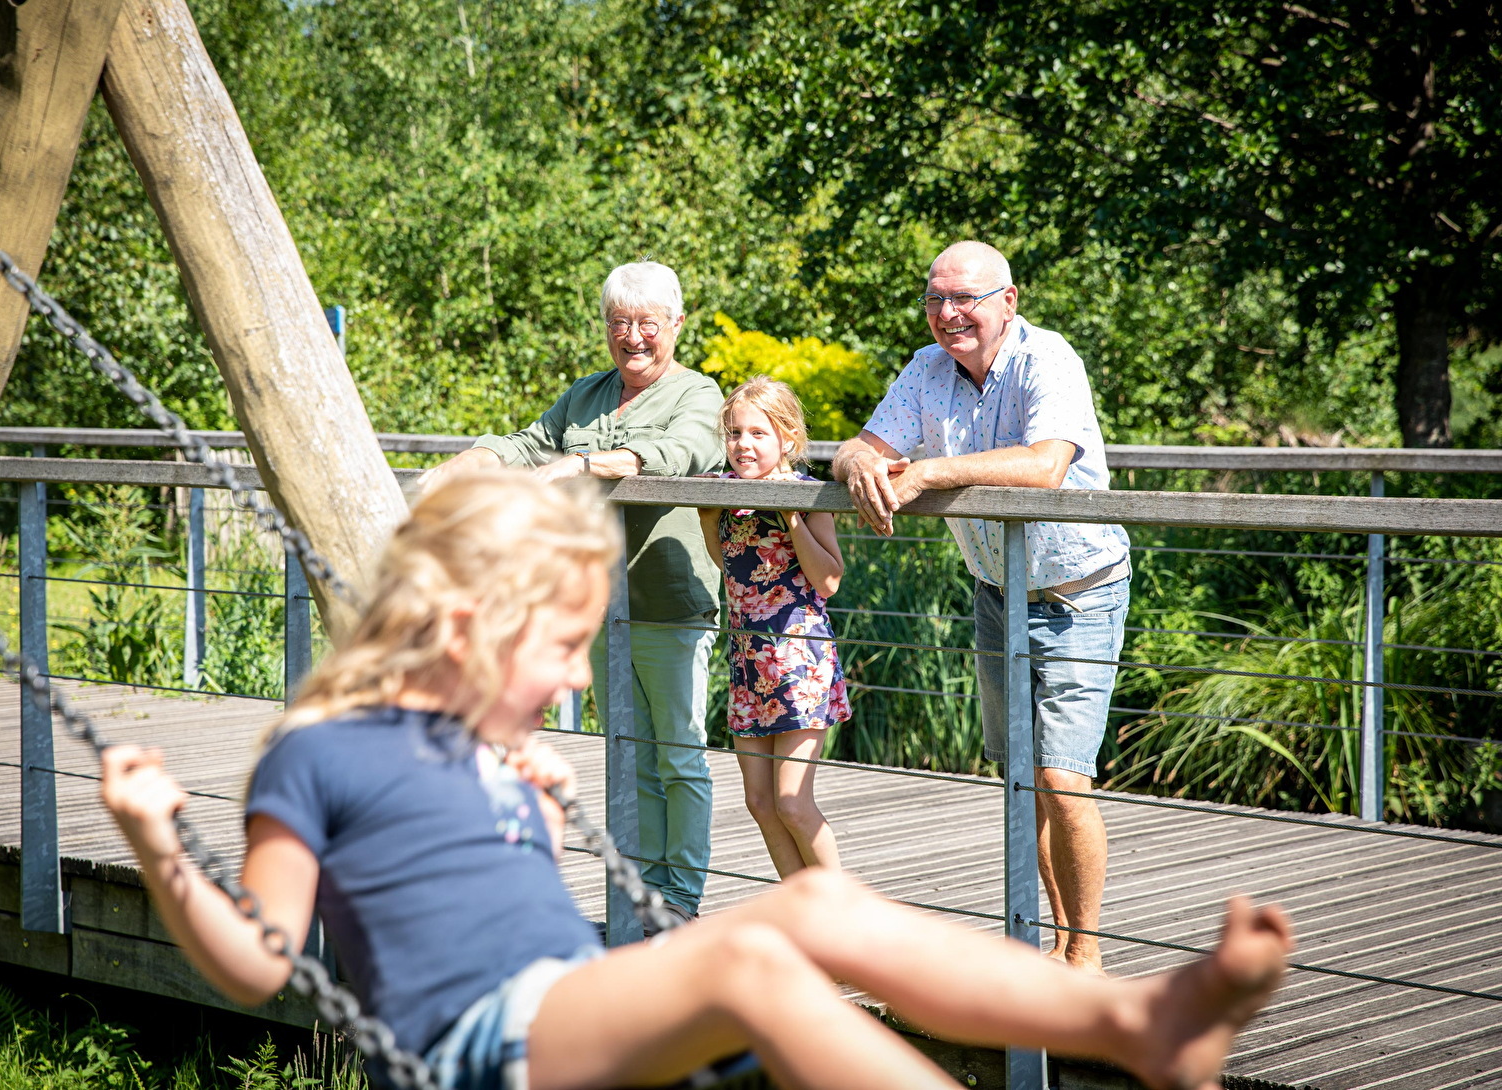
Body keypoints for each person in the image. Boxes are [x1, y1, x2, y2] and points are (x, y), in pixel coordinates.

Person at [101, 469, 1292, 1090]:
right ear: (463, 624)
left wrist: (522, 808)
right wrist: (161, 840)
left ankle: (1137, 1020)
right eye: (558, 647)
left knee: (816, 906)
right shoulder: (319, 755)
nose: (574, 683)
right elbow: (260, 957)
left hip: (577, 1013)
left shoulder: (480, 753)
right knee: (748, 953)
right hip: (474, 1052)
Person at [834, 240, 1133, 974]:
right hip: (998, 592)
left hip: (1077, 591)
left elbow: (1045, 465)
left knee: (1063, 778)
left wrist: (928, 471)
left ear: (1008, 300)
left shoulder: (1047, 359)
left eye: (964, 298)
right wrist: (861, 467)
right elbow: (854, 449)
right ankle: (1056, 950)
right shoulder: (925, 368)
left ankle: (1087, 958)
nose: (948, 314)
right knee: (1025, 777)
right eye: (936, 299)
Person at [420, 262, 723, 928]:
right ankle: (643, 891)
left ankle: (683, 897)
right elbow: (528, 444)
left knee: (678, 752)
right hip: (601, 607)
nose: (633, 338)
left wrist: (584, 466)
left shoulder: (696, 393)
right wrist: (460, 468)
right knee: (631, 752)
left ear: (675, 324)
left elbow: (683, 452)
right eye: (620, 323)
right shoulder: (587, 395)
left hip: (671, 601)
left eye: (647, 324)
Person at [698, 377, 849, 876]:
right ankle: (802, 916)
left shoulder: (808, 493)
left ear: (786, 438)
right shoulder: (726, 493)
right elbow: (728, 564)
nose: (743, 445)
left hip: (798, 660)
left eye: (758, 434)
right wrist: (706, 517)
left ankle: (846, 921)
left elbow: (828, 580)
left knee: (791, 802)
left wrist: (791, 517)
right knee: (760, 803)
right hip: (747, 661)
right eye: (735, 433)